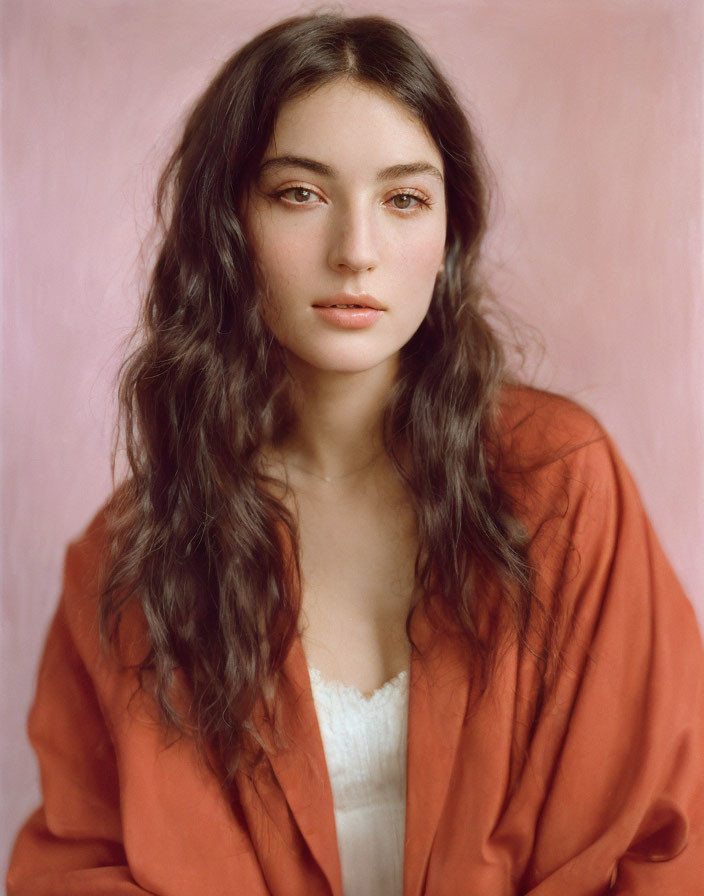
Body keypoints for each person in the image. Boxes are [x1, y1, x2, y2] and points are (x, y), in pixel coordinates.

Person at [7, 12, 704, 896]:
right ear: (227, 223)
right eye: (300, 194)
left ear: (449, 234)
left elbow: (657, 840)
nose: (356, 253)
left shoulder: (562, 484)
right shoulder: (130, 556)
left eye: (403, 199)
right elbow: (76, 867)